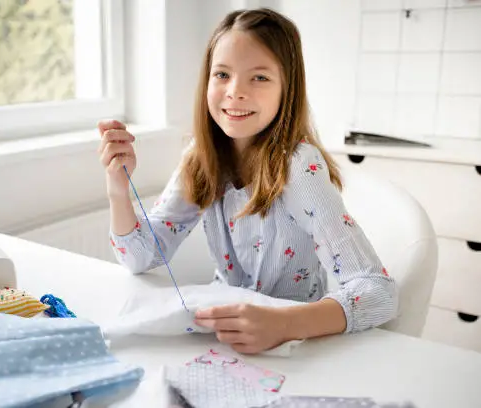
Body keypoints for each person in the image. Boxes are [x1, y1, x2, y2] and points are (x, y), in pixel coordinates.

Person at [97, 8, 397, 354]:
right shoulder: (201, 156)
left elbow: (379, 291)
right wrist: (118, 190)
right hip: (224, 339)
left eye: (259, 78)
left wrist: (284, 324)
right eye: (222, 74)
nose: (235, 92)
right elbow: (140, 256)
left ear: (288, 88)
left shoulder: (298, 167)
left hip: (299, 345)